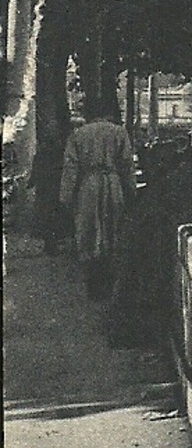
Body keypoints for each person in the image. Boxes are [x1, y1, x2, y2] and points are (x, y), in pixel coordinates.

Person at [58, 97, 137, 301]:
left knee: (89, 231)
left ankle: (94, 285)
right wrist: (130, 191)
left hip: (88, 186)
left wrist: (66, 196)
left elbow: (71, 167)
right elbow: (127, 165)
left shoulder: (78, 135)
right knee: (112, 230)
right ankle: (109, 285)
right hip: (113, 183)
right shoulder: (119, 132)